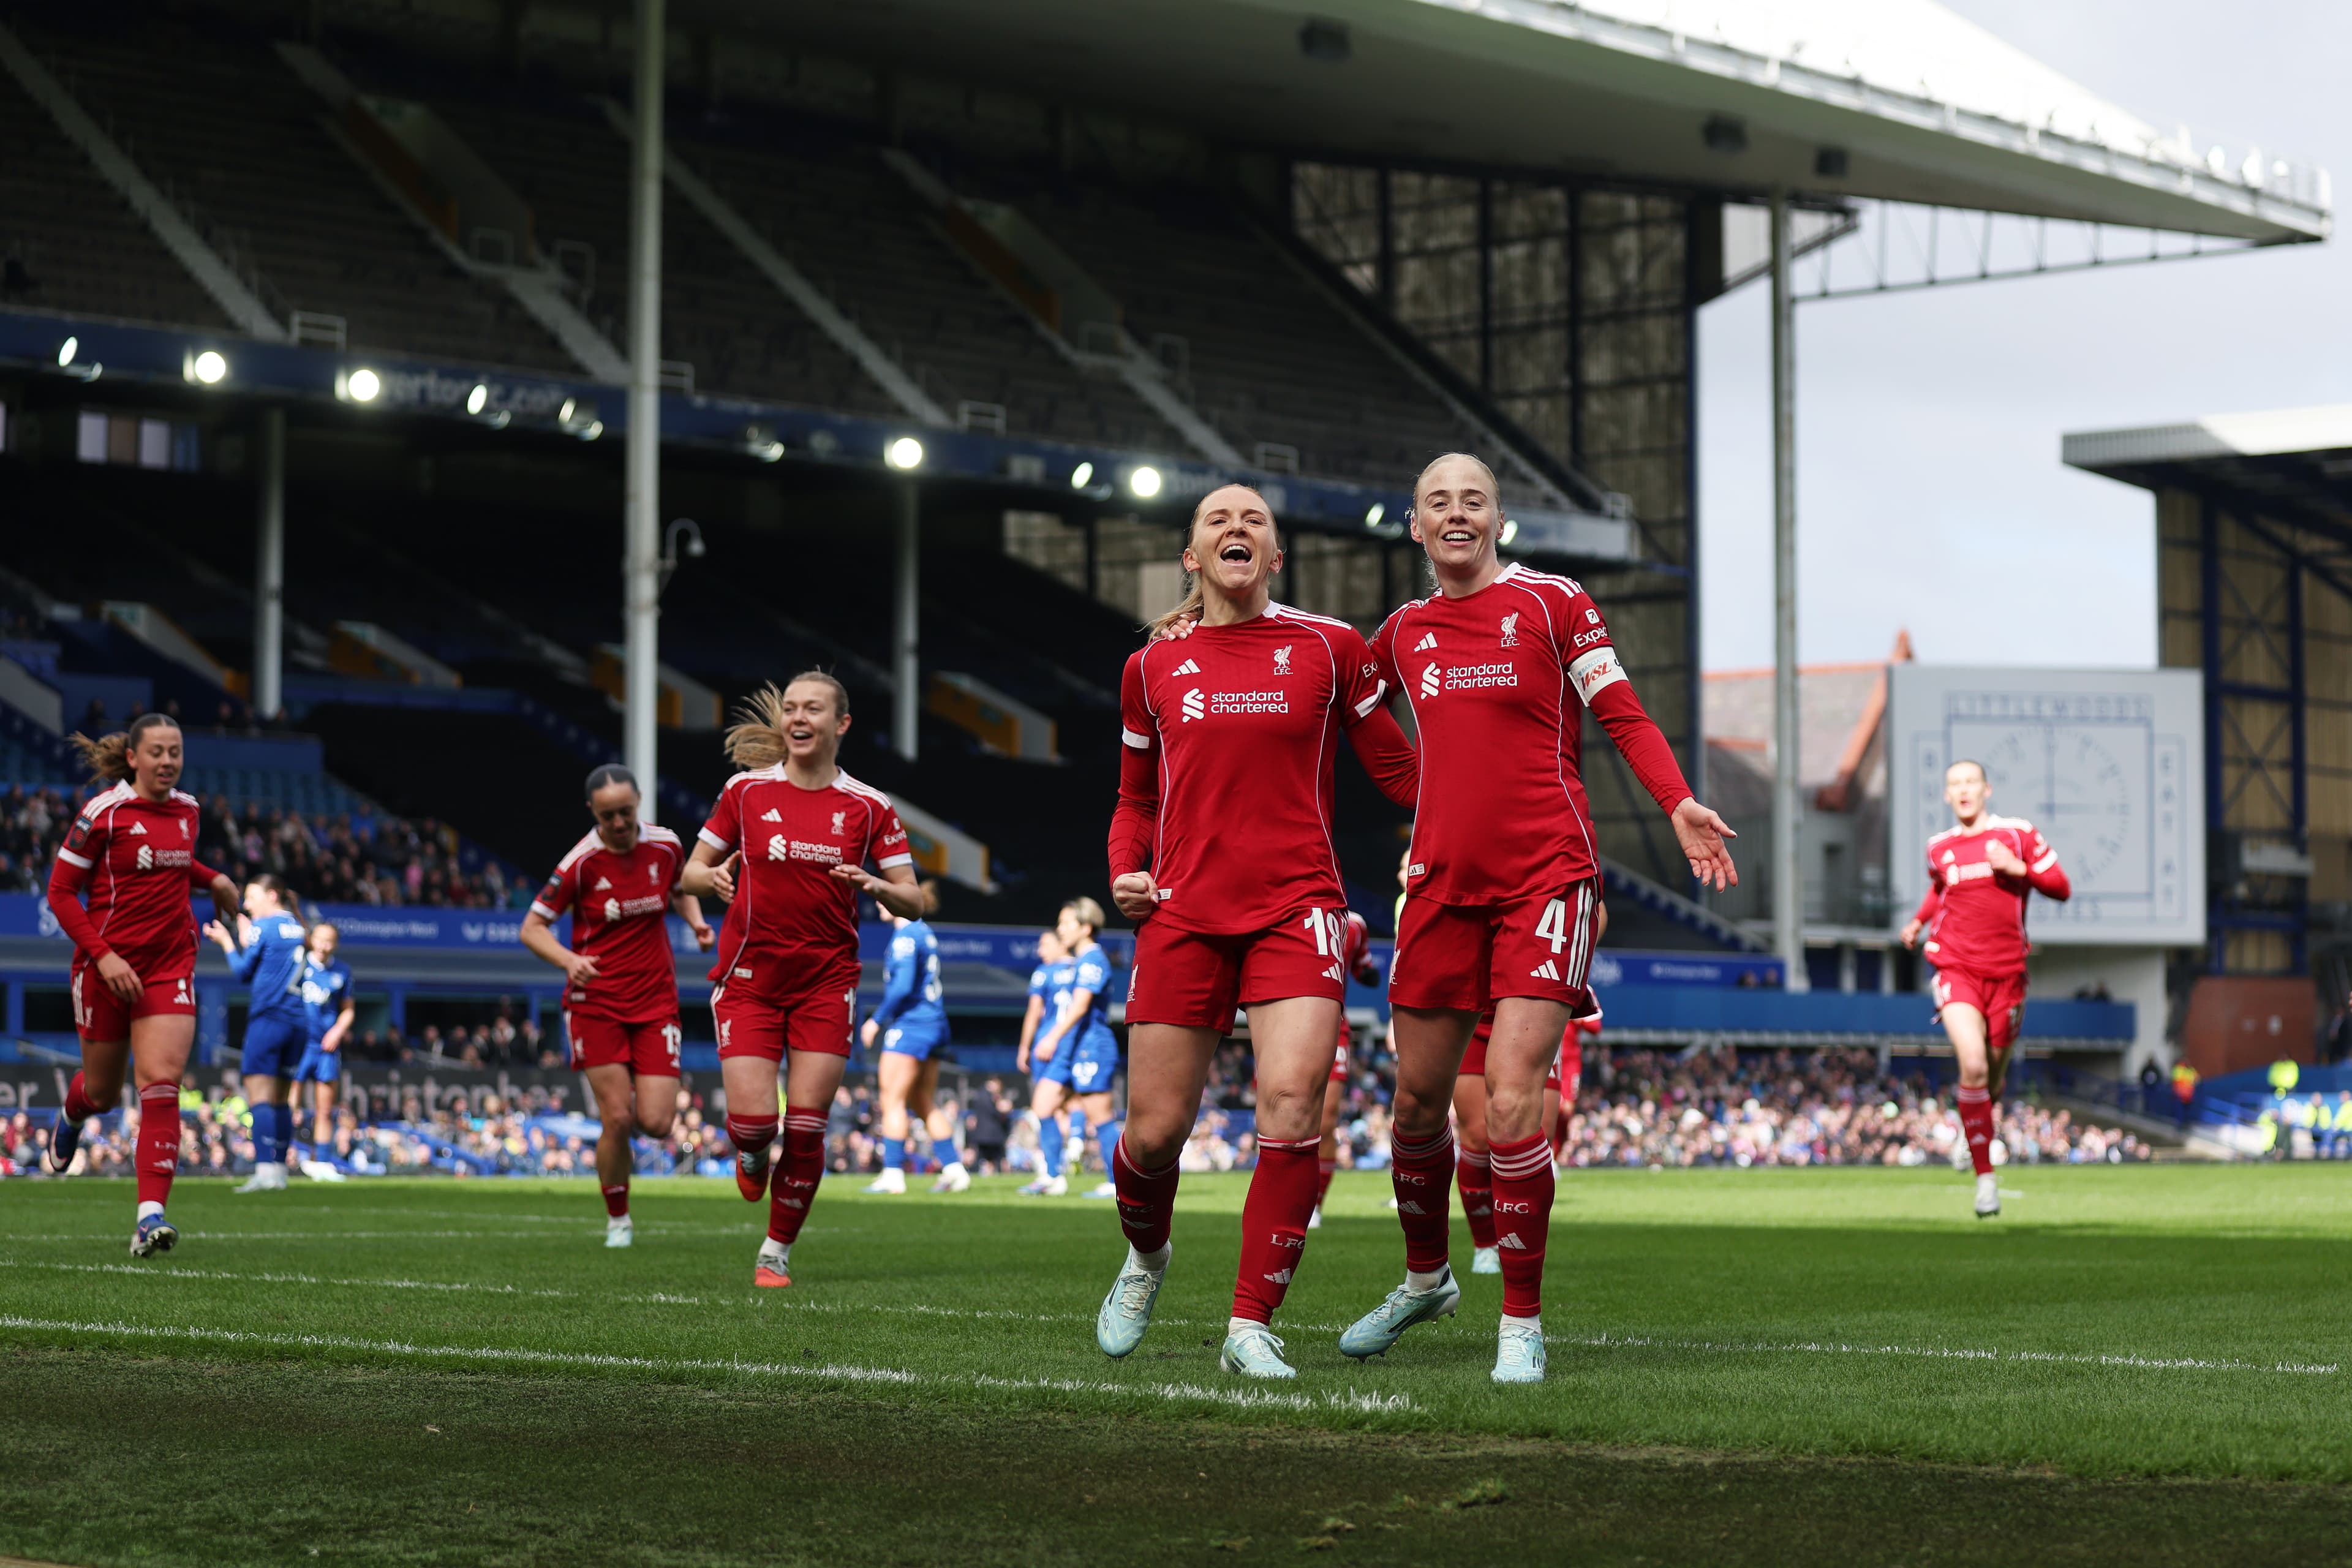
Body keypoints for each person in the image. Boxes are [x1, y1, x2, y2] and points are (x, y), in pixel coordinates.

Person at [1340, 453, 1736, 1385]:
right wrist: (1424, 803)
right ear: (1415, 525)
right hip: (1438, 890)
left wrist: (1676, 801)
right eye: (1438, 502)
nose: (1457, 514)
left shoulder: (1555, 605)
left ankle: (1521, 1322)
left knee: (1514, 1099)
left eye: (1473, 500)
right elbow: (1353, 715)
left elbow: (1623, 713)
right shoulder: (1401, 632)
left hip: (1547, 881)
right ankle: (1426, 1277)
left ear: (1498, 518)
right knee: (1415, 1105)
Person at [1095, 482, 1419, 1379]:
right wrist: (1126, 867)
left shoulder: (1330, 648)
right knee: (1154, 1136)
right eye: (1217, 521)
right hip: (1182, 913)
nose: (1238, 528)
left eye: (1256, 522)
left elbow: (1400, 772)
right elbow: (1135, 800)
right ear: (1192, 558)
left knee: (1291, 1107)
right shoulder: (1151, 668)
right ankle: (1146, 1259)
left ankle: (1249, 1325)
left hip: (1299, 907)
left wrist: (1499, 776)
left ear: (1276, 556)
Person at [679, 676, 924, 1287]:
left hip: (826, 980)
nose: (797, 716)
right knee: (759, 1123)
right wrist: (712, 883)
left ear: (841, 724)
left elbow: (915, 899)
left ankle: (775, 1251)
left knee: (810, 1124)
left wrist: (877, 886)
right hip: (750, 977)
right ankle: (753, 1149)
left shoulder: (869, 806)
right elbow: (688, 873)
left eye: (812, 708)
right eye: (790, 707)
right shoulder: (745, 792)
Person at [43, 714, 241, 1254]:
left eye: (175, 751)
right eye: (156, 752)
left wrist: (213, 878)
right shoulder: (103, 812)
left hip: (169, 964)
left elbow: (173, 863)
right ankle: (73, 1111)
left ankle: (149, 1217)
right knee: (103, 1093)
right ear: (133, 757)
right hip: (105, 967)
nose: (167, 761)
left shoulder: (188, 810)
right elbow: (61, 893)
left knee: (161, 1084)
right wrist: (103, 957)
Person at [521, 764, 712, 1246]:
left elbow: (678, 889)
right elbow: (532, 928)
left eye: (626, 812)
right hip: (596, 1003)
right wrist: (569, 960)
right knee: (618, 1118)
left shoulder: (667, 845)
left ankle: (621, 1200)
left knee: (657, 1122)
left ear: (639, 802)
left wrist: (697, 923)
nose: (620, 823)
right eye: (609, 816)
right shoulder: (580, 864)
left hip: (655, 1001)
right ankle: (619, 1219)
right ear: (594, 813)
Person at [1899, 758, 2071, 1218]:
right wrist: (1919, 921)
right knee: (1971, 1065)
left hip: (2009, 974)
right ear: (1946, 795)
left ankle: (1968, 1128)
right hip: (1955, 966)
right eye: (1954, 784)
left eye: (1970, 782)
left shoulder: (2018, 835)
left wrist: (2018, 868)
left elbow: (2061, 886)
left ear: (1986, 789)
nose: (1963, 790)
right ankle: (1986, 1183)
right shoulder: (1940, 847)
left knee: (1992, 1079)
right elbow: (1941, 890)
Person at [862, 880, 970, 1194]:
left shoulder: (907, 934)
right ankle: (955, 1170)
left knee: (891, 1099)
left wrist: (876, 1020)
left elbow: (902, 986)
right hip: (935, 1023)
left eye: (884, 897)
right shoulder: (923, 931)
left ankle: (893, 1175)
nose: (879, 903)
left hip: (913, 1025)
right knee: (923, 1101)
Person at [209, 873, 313, 1193]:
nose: (247, 905)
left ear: (272, 896)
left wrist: (228, 942)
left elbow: (243, 972)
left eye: (251, 897)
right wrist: (247, 938)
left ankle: (265, 1171)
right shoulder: (300, 928)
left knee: (260, 1098)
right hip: (298, 1023)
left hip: (268, 1020)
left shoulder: (264, 928)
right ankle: (279, 1172)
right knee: (281, 1100)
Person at [1022, 899, 1121, 1199]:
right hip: (1073, 1047)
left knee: (1101, 1116)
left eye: (1066, 923)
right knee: (1042, 1105)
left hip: (1091, 1046)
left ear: (1086, 927)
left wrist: (1052, 1037)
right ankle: (1053, 1177)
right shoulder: (1080, 961)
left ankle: (1118, 1183)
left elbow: (1079, 1008)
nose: (1060, 929)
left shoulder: (1093, 960)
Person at [1308, 909, 1381, 1229]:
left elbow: (1364, 969)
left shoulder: (1354, 924)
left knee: (1326, 1120)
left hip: (1334, 1026)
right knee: (1278, 1116)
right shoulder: (1275, 909)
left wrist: (1372, 973)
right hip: (1281, 1026)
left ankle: (1315, 1206)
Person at [292, 921, 355, 1177]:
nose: (324, 945)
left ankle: (322, 1162)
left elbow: (348, 1010)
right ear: (312, 939)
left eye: (329, 940)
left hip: (326, 1048)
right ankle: (280, 1158)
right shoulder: (299, 965)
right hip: (299, 1044)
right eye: (320, 939)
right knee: (289, 1104)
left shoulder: (342, 972)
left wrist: (338, 1031)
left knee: (325, 1109)